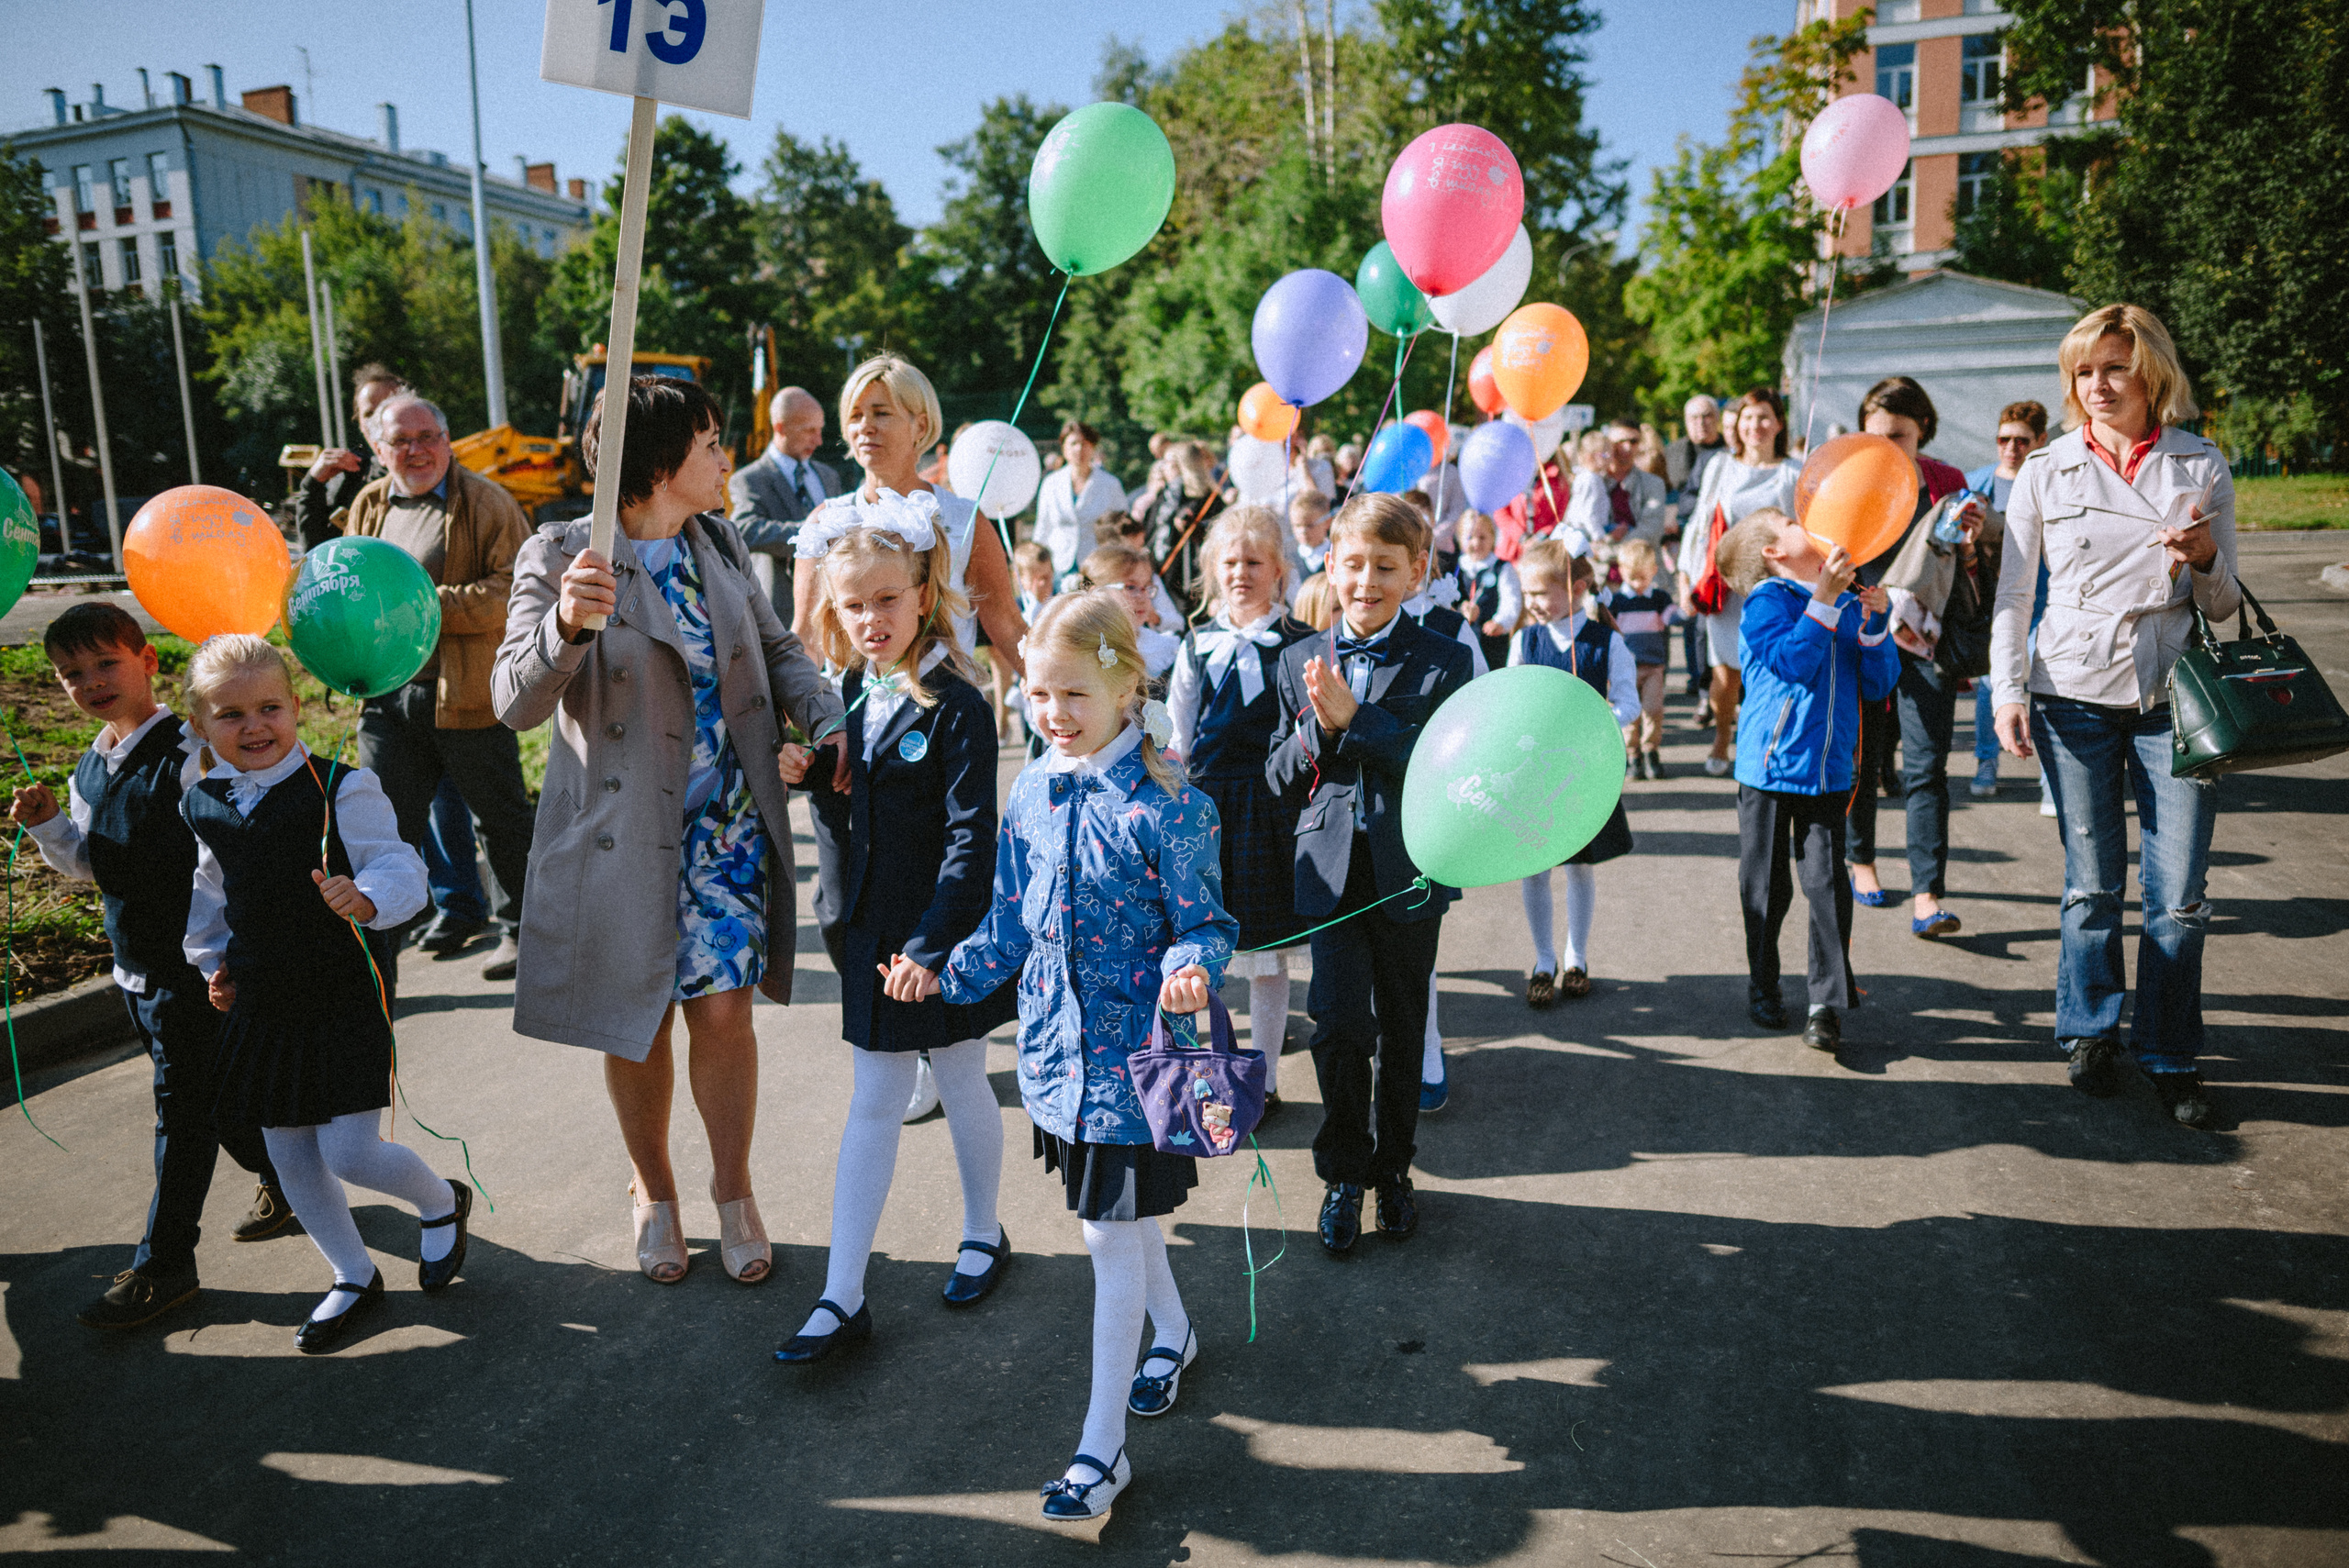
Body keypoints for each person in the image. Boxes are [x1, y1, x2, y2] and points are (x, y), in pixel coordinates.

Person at [493, 375, 843, 1286]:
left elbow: (776, 650)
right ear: (656, 461)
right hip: (618, 829)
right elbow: (513, 702)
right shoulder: (563, 551)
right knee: (635, 1024)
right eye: (711, 438)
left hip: (724, 822)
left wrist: (825, 714)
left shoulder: (717, 539)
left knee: (723, 1009)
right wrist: (569, 624)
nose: (725, 454)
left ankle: (734, 1189)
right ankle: (653, 1190)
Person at [923, 589, 1236, 1523]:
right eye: (1036, 693)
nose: (1052, 714)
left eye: (1073, 697)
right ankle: (1173, 1332)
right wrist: (944, 972)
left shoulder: (1171, 803)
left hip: (1138, 1066)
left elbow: (1208, 924)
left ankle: (1102, 1449)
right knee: (1122, 1218)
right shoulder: (1031, 786)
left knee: (1106, 1232)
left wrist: (1189, 970)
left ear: (1127, 688)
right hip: (1055, 1056)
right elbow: (1013, 917)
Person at [176, 635, 464, 1353]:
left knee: (350, 1151)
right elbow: (211, 895)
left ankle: (439, 1201)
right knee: (289, 1151)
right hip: (262, 1000)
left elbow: (401, 865)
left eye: (270, 707)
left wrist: (364, 896)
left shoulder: (342, 786)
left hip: (338, 992)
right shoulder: (203, 800)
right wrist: (216, 964)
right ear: (200, 725)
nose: (253, 726)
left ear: (296, 706)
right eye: (230, 714)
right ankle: (352, 1272)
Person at [780, 502, 1019, 1362]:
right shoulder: (846, 697)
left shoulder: (955, 703)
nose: (871, 619)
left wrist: (933, 944)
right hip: (872, 931)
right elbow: (854, 826)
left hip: (940, 934)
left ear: (924, 594)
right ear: (834, 612)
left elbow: (970, 838)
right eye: (854, 605)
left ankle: (983, 1231)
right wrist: (815, 779)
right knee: (878, 1097)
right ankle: (843, 1295)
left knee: (960, 1076)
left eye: (887, 598)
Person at [1990, 304, 2239, 1129]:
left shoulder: (2198, 464)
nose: (2097, 385)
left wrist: (2203, 561)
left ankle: (2169, 1050)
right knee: (2092, 882)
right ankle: (2090, 1030)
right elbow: (2015, 596)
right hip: (2072, 693)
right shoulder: (2046, 469)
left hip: (2174, 696)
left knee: (2179, 894)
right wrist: (2009, 691)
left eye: (2114, 368)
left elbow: (2227, 606)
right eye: (2084, 370)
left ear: (2151, 374)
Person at [10, 606, 287, 1331]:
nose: (90, 682)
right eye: (72, 673)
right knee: (217, 1099)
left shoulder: (188, 749)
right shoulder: (90, 767)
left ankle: (167, 1261)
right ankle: (286, 1177)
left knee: (183, 1111)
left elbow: (228, 849)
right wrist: (48, 825)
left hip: (194, 972)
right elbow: (87, 862)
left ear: (147, 663)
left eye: (107, 663)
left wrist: (232, 954)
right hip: (134, 970)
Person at [1267, 493, 1475, 1249]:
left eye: (1386, 567)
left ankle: (1394, 1171)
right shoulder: (1296, 658)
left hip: (1410, 866)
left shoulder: (1445, 654)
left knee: (1402, 1025)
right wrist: (1320, 728)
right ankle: (1343, 1173)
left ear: (1415, 573)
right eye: (1353, 564)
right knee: (1339, 1023)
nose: (1367, 581)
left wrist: (1360, 720)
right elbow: (1278, 776)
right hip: (1329, 874)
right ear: (1331, 564)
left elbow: (1439, 762)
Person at [335, 393, 537, 982]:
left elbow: (514, 588)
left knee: (498, 818)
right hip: (386, 696)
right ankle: (376, 945)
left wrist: (421, 606)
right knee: (383, 825)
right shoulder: (370, 504)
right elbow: (347, 581)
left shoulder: (488, 502)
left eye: (427, 437)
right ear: (378, 449)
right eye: (400, 441)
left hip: (468, 693)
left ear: (448, 441)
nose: (416, 450)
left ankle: (522, 932)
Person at [1719, 510, 1897, 1053]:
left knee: (1825, 886)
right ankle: (1764, 982)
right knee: (1767, 889)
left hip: (1829, 770)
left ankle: (1825, 1004)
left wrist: (1875, 625)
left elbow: (1879, 683)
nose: (1806, 521)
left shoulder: (1844, 598)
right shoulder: (1766, 603)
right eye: (1789, 521)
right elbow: (1792, 662)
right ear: (1774, 552)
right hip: (1769, 770)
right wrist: (1822, 600)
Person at [1167, 506, 1317, 1112]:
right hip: (1207, 805)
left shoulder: (1301, 644)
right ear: (1210, 570)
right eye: (1229, 562)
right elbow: (1179, 732)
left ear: (1279, 571)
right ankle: (1205, 1066)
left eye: (1254, 562)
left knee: (1266, 952)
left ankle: (1266, 1076)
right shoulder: (1197, 642)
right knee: (1203, 950)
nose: (1241, 573)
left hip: (1271, 805)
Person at [791, 359, 1030, 683]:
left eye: (881, 413)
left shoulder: (964, 519)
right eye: (855, 415)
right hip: (854, 724)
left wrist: (1061, 693)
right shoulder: (824, 522)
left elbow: (1008, 625)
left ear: (920, 426)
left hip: (947, 718)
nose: (865, 427)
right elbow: (806, 636)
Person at [1842, 376, 1976, 935]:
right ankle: (1862, 860)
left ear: (1923, 430)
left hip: (1926, 641)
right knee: (1863, 761)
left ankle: (1928, 894)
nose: (1887, 447)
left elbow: (1968, 560)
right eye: (1875, 436)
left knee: (1926, 769)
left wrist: (1972, 538)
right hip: (1864, 636)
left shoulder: (1946, 480)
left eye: (1899, 435)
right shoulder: (1850, 477)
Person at [1510, 543, 1638, 1007]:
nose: (1532, 603)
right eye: (1526, 593)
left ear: (1576, 588)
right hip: (1536, 774)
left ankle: (1576, 957)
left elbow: (1629, 703)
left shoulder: (1608, 641)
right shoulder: (1525, 641)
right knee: (1536, 867)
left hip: (1584, 771)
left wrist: (1600, 716)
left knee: (1580, 865)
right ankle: (1543, 959)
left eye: (1541, 592)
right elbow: (1512, 699)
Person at [1678, 388, 1799, 775]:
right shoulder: (1720, 466)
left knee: (1774, 667)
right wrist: (1687, 577)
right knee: (1725, 671)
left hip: (1777, 589)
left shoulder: (1792, 472)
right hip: (1727, 586)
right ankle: (1720, 740)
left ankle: (1764, 743)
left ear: (1779, 423)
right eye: (1748, 417)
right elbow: (1700, 525)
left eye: (1764, 417)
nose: (1755, 426)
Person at [1967, 401, 2051, 799]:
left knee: (2048, 684)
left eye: (2021, 441)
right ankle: (1987, 763)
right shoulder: (1977, 484)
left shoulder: (2052, 481)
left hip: (2047, 602)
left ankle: (2052, 777)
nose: (2011, 449)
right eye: (2004, 439)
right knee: (1991, 684)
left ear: (2041, 441)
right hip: (1992, 604)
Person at [728, 386, 843, 621]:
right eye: (809, 430)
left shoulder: (829, 476)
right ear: (780, 427)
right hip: (781, 614)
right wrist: (814, 533)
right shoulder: (750, 479)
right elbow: (745, 530)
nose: (819, 440)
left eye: (820, 430)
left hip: (835, 609)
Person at [295, 363, 406, 550]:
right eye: (369, 413)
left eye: (386, 408)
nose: (379, 420)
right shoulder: (354, 476)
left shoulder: (434, 473)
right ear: (360, 423)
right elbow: (318, 555)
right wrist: (312, 485)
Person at [1666, 395, 1731, 698]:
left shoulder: (1727, 453)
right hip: (1679, 542)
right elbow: (1664, 492)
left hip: (1714, 542)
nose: (1700, 423)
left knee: (1712, 615)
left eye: (1706, 416)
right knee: (1688, 616)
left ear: (1716, 419)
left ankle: (1715, 685)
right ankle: (1697, 679)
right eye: (1693, 417)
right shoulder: (1673, 453)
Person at [1609, 538, 1677, 779]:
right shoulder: (1616, 602)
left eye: (1643, 577)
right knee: (1629, 712)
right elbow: (1606, 627)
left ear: (1654, 571)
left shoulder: (1659, 598)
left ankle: (1650, 751)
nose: (1638, 584)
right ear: (1622, 572)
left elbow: (1673, 617)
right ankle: (1632, 755)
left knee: (1653, 708)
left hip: (1653, 666)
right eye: (1632, 578)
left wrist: (1684, 612)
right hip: (1625, 668)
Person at [1033, 420, 1128, 579]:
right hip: (1059, 566)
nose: (1079, 449)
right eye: (1073, 443)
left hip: (1097, 566)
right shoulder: (1051, 483)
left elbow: (1122, 525)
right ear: (1063, 448)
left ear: (1093, 447)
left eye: (1085, 444)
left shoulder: (1110, 484)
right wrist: (1036, 562)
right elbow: (1042, 526)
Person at [1564, 417, 1670, 554]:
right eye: (1620, 442)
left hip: (1636, 564)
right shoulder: (1591, 481)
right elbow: (1575, 520)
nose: (1627, 447)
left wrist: (1609, 550)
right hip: (1597, 567)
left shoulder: (1653, 484)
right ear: (1608, 444)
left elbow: (1650, 531)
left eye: (1634, 441)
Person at [1082, 543, 1181, 679]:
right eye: (1131, 587)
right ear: (1097, 592)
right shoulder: (1078, 646)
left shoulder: (1164, 649)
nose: (1143, 598)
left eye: (1147, 587)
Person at [1453, 510, 1522, 672]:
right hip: (1459, 639)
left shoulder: (1502, 568)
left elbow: (1512, 600)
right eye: (1470, 537)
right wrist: (1459, 608)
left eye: (1482, 537)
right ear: (1461, 539)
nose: (1476, 543)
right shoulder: (1456, 567)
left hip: (1490, 642)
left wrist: (1500, 621)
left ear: (1493, 538)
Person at [1289, 489, 1333, 586]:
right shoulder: (1290, 562)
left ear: (1327, 522)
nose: (1303, 531)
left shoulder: (1336, 555)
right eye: (1297, 526)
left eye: (1309, 525)